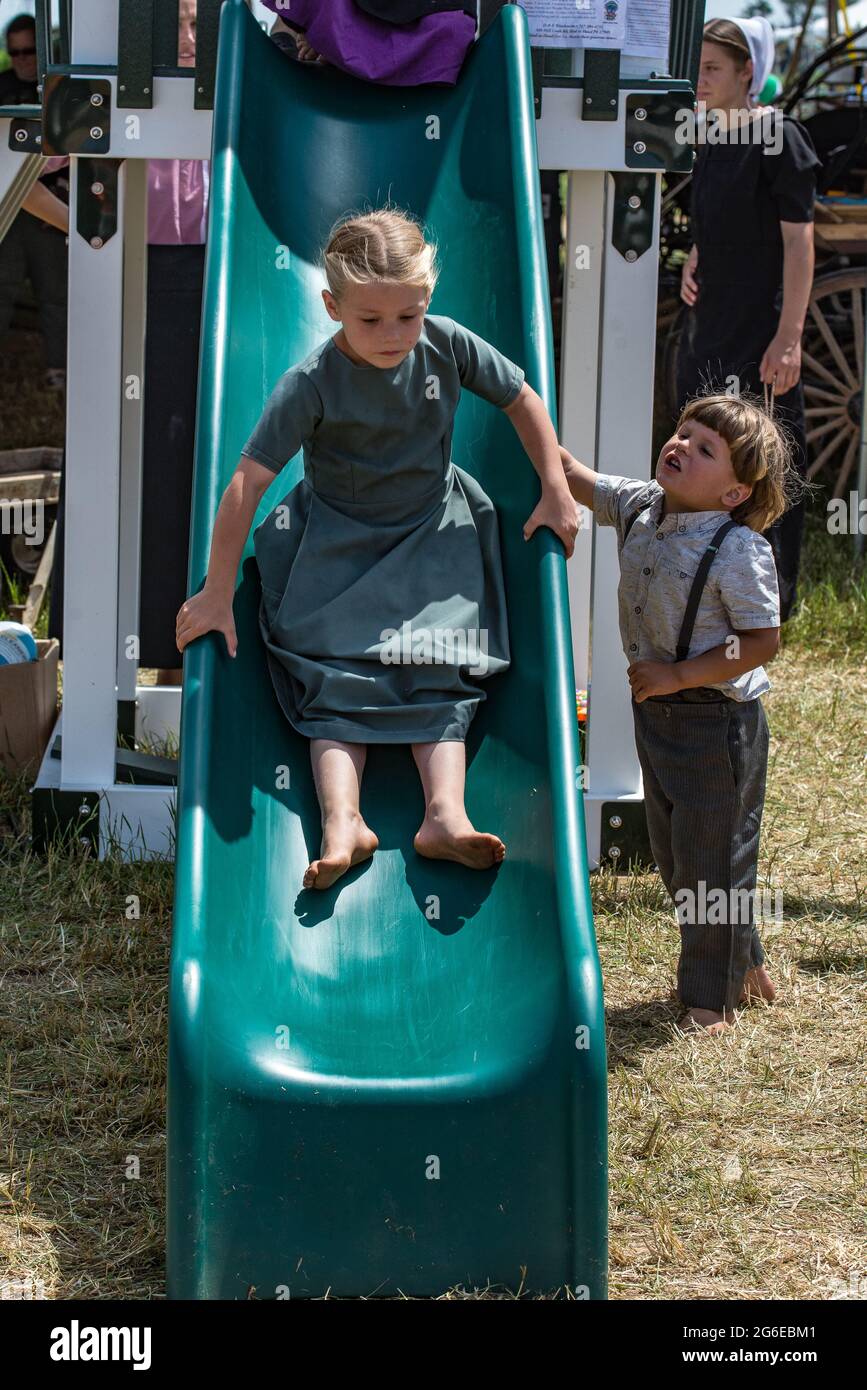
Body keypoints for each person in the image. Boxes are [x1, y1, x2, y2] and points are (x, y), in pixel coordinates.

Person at [176, 206, 578, 890]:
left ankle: (443, 815)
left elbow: (521, 399)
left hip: (431, 535)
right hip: (337, 544)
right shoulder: (311, 384)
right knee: (334, 675)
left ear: (428, 302)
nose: (393, 334)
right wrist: (216, 592)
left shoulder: (447, 345)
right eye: (370, 320)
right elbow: (247, 480)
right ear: (331, 305)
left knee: (438, 666)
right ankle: (343, 821)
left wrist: (555, 486)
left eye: (409, 315)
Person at [560, 393, 794, 1034]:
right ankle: (741, 961)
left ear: (734, 493)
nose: (682, 445)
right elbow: (578, 479)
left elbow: (760, 640)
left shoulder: (737, 548)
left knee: (711, 857)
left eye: (705, 448)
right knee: (674, 852)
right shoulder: (641, 504)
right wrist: (521, 420)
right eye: (684, 432)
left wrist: (681, 673)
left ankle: (709, 1002)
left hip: (714, 719)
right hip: (658, 715)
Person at [676, 17, 819, 622]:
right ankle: (709, 585)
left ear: (747, 73)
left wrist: (789, 338)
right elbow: (718, 217)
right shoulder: (711, 136)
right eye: (699, 67)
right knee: (708, 452)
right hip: (713, 319)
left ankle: (770, 600)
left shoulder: (780, 138)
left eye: (713, 68)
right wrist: (696, 256)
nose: (701, 80)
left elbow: (798, 243)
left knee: (764, 463)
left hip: (761, 327)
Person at [0, 13, 69, 391]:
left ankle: (58, 371)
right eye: (15, 53)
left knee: (55, 294)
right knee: (4, 287)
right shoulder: (1, 87)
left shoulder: (61, 88)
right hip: (11, 211)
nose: (23, 59)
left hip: (51, 212)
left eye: (29, 50)